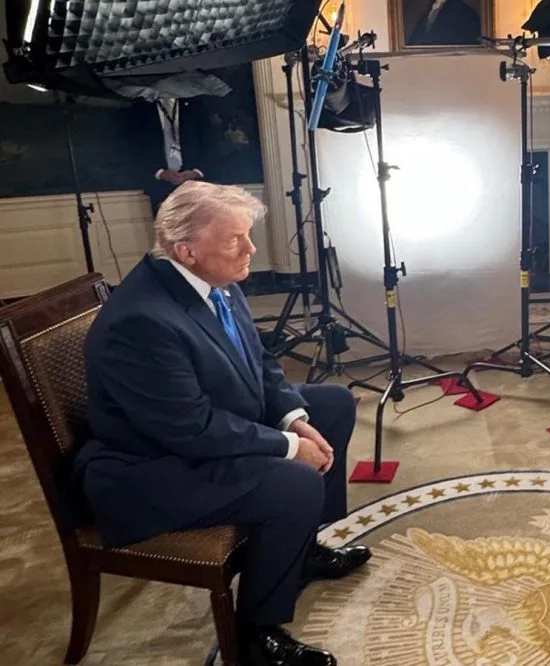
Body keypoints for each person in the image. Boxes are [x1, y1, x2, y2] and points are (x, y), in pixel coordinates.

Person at [74, 181, 369, 666]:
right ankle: (255, 635)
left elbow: (261, 362)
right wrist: (288, 446)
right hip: (154, 468)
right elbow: (191, 428)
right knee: (295, 483)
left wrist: (293, 419)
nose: (251, 249)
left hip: (202, 426)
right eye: (235, 239)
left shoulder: (212, 279)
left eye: (247, 235)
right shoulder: (141, 321)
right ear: (186, 250)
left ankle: (301, 550)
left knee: (332, 404)